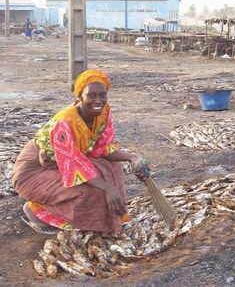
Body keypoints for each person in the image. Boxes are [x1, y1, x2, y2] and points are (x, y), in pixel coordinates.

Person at [12, 69, 150, 234]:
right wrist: (107, 188)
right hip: (34, 172)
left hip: (64, 163)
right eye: (91, 96)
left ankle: (114, 217)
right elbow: (73, 166)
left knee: (113, 167)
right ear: (79, 97)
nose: (98, 101)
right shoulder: (65, 122)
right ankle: (35, 209)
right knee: (88, 189)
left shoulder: (103, 113)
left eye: (102, 95)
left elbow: (101, 148)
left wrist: (132, 158)